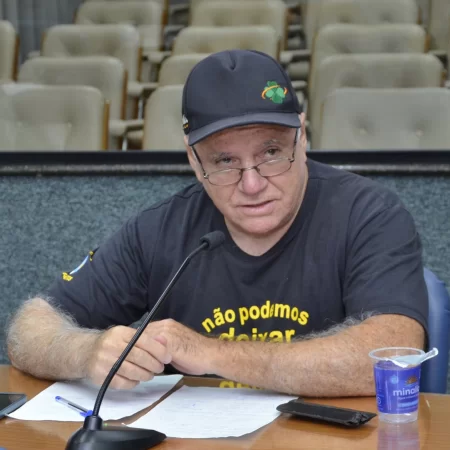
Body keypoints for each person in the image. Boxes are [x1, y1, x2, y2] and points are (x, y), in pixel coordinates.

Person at [7, 50, 427, 397]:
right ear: (194, 161)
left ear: (302, 137)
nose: (252, 184)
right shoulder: (160, 230)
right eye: (225, 161)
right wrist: (87, 351)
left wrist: (208, 352)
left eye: (271, 153)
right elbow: (28, 331)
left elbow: (395, 356)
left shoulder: (369, 214)